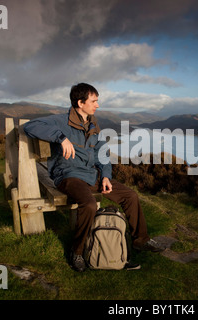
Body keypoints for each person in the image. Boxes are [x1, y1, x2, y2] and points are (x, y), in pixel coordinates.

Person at [24, 83, 164, 271]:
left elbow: (102, 152)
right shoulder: (60, 121)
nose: (97, 105)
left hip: (91, 175)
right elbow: (31, 126)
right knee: (89, 204)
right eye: (94, 101)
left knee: (130, 195)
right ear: (80, 103)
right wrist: (61, 138)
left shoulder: (92, 123)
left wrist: (106, 176)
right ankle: (78, 252)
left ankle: (140, 240)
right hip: (68, 176)